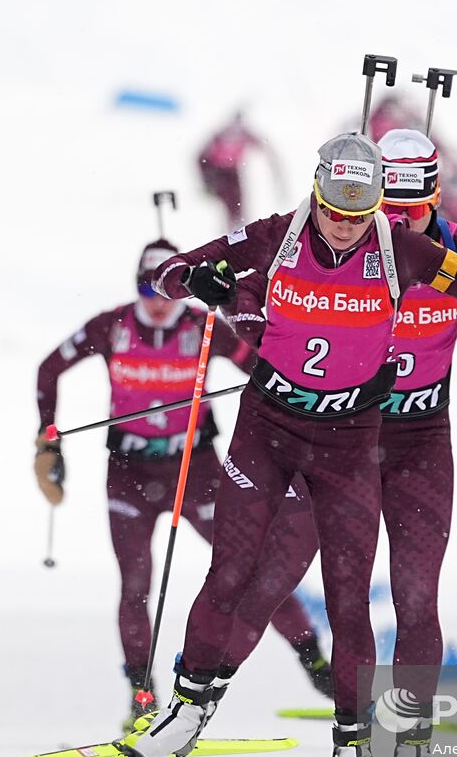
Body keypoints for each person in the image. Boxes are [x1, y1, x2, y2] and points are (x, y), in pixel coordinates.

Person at [125, 131, 457, 757]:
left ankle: (354, 753)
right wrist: (199, 279)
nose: (342, 225)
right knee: (231, 570)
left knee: (347, 600)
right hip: (268, 430)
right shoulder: (275, 235)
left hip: (349, 442)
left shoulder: (404, 250)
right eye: (332, 209)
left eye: (356, 211)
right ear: (315, 195)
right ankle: (186, 711)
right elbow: (167, 274)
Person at [211, 128, 457, 757]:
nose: (392, 222)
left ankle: (409, 751)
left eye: (408, 209)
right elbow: (260, 299)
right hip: (335, 435)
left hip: (415, 444)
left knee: (414, 601)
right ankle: (186, 707)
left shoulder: (454, 251)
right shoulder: (348, 241)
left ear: (433, 197)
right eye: (385, 206)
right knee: (265, 578)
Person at [33, 239, 332, 725]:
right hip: (129, 472)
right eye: (146, 288)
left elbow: (261, 366)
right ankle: (141, 695)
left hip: (196, 471)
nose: (156, 301)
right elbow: (49, 369)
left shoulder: (204, 324)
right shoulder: (112, 325)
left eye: (165, 289)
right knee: (135, 584)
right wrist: (48, 438)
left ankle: (316, 662)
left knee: (248, 571)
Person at [196, 111, 282, 230]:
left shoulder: (243, 133)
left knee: (237, 203)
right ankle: (233, 231)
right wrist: (207, 180)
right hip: (218, 172)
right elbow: (201, 157)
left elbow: (264, 146)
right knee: (231, 203)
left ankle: (238, 229)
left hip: (231, 171)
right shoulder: (221, 134)